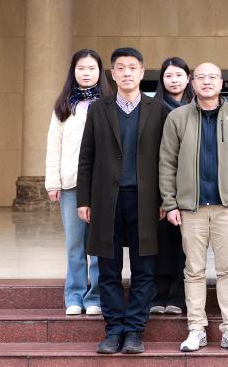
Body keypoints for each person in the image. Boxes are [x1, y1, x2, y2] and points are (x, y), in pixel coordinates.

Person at [77, 47, 170, 355]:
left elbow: (167, 159)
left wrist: (165, 199)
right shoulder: (98, 109)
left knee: (144, 270)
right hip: (107, 201)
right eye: (121, 67)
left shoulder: (158, 109)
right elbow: (86, 157)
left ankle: (134, 331)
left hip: (146, 202)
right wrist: (83, 199)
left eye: (132, 67)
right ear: (113, 74)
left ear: (142, 72)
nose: (127, 72)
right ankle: (114, 329)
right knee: (108, 269)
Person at [159, 62, 228, 353]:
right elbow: (167, 163)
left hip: (227, 208)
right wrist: (170, 203)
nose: (207, 82)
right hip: (192, 208)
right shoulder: (177, 117)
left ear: (221, 82)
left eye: (213, 77)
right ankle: (196, 329)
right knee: (194, 270)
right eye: (201, 77)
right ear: (192, 82)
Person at [45, 49, 109, 317]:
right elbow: (54, 145)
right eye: (81, 68)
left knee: (98, 245)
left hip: (102, 184)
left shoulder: (109, 103)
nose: (86, 73)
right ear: (73, 71)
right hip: (71, 183)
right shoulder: (64, 106)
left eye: (92, 68)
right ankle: (74, 295)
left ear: (100, 72)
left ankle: (95, 296)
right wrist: (53, 182)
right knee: (75, 244)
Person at [149, 57, 193, 316]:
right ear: (162, 80)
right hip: (160, 189)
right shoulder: (152, 109)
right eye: (168, 75)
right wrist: (161, 197)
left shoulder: (198, 107)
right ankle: (158, 294)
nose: (174, 80)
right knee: (160, 243)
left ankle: (178, 295)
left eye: (179, 75)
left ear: (188, 79)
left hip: (190, 190)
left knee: (185, 245)